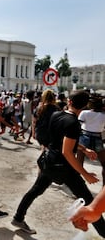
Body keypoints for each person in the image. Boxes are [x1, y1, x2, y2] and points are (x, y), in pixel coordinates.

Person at [11, 90, 105, 237]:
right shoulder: (73, 123)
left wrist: (84, 149)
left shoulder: (56, 115)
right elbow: (67, 152)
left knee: (35, 190)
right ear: (85, 106)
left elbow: (60, 141)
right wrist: (85, 174)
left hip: (49, 161)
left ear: (69, 101)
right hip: (64, 168)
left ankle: (18, 217)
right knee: (89, 203)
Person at [76, 96, 105, 186]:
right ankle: (103, 188)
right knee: (104, 163)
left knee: (79, 163)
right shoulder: (104, 115)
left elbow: (77, 126)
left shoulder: (84, 113)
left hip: (84, 136)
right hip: (97, 138)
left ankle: (78, 186)